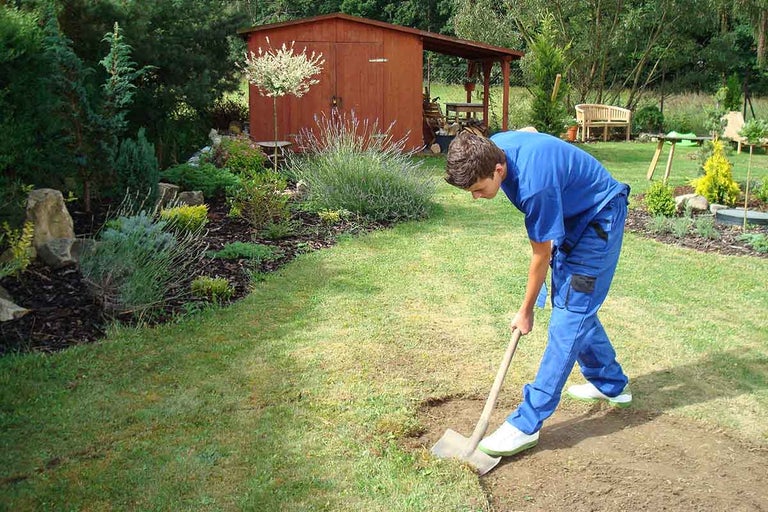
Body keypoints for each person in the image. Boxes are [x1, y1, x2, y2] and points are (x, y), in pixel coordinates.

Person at [444, 129, 632, 458]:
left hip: (599, 219)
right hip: (573, 214)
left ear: (498, 170)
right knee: (575, 308)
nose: (476, 197)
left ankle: (526, 423)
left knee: (570, 318)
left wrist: (526, 310)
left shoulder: (535, 188)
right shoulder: (493, 148)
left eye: (478, 189)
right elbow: (530, 133)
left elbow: (540, 255)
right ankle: (611, 383)